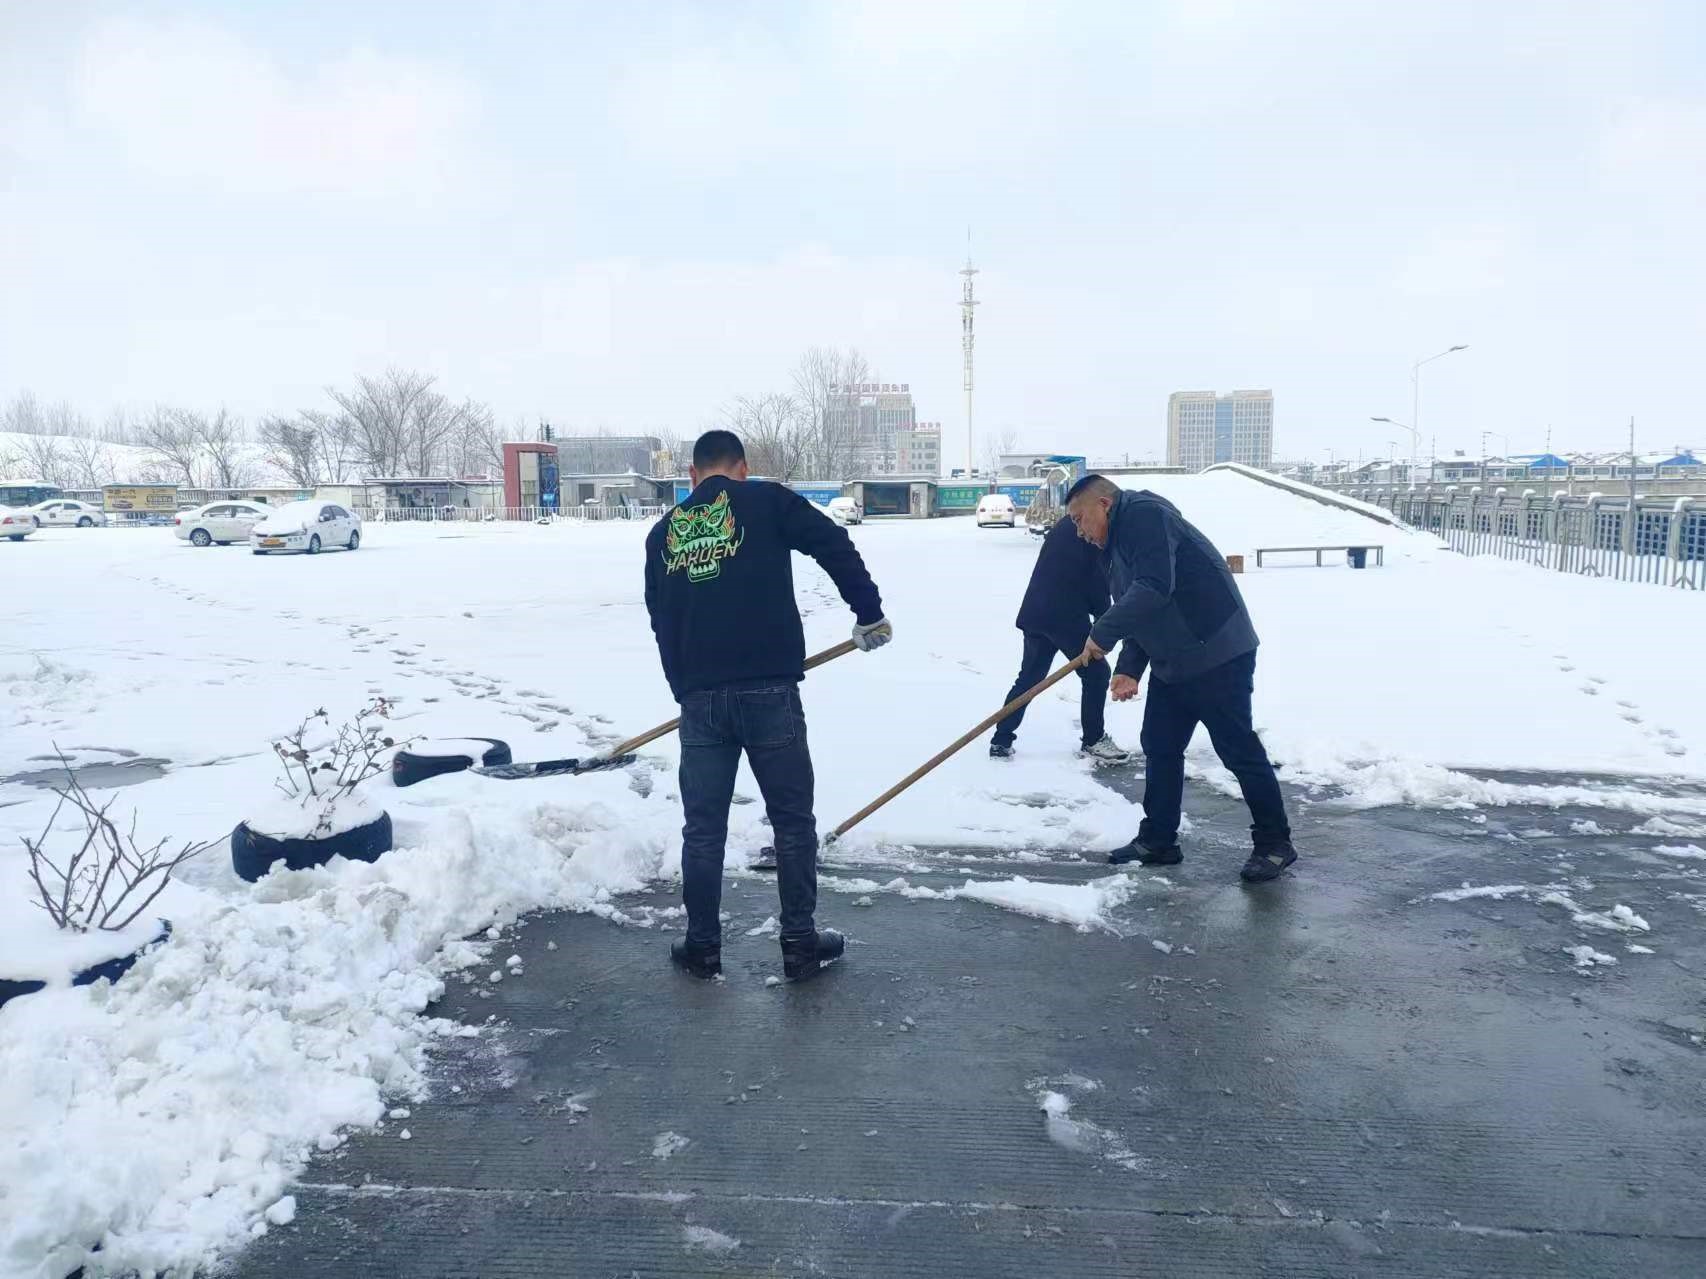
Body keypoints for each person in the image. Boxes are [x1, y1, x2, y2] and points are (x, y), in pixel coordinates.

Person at [644, 430, 893, 981]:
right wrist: (868, 612)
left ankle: (702, 947)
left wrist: (683, 686)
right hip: (769, 692)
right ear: (741, 469)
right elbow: (834, 544)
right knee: (791, 822)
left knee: (703, 830)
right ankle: (800, 945)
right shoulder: (767, 499)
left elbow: (660, 620)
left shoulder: (663, 533)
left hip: (701, 701)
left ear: (692, 476)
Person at [1064, 474, 1296, 883]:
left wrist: (1102, 632)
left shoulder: (1144, 516)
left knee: (1236, 748)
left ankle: (1275, 844)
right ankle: (1158, 840)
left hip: (1218, 651)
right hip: (1174, 661)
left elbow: (1155, 587)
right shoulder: (1116, 549)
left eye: (1079, 519)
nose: (1079, 532)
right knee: (1161, 746)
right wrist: (1128, 668)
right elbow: (1139, 606)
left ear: (1103, 504)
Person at [989, 516, 1131, 763]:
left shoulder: (1069, 522)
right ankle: (1093, 739)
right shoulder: (1092, 527)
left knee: (1029, 678)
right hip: (1065, 616)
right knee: (1096, 673)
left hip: (1036, 611)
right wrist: (1104, 624)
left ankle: (1001, 740)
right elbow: (1097, 579)